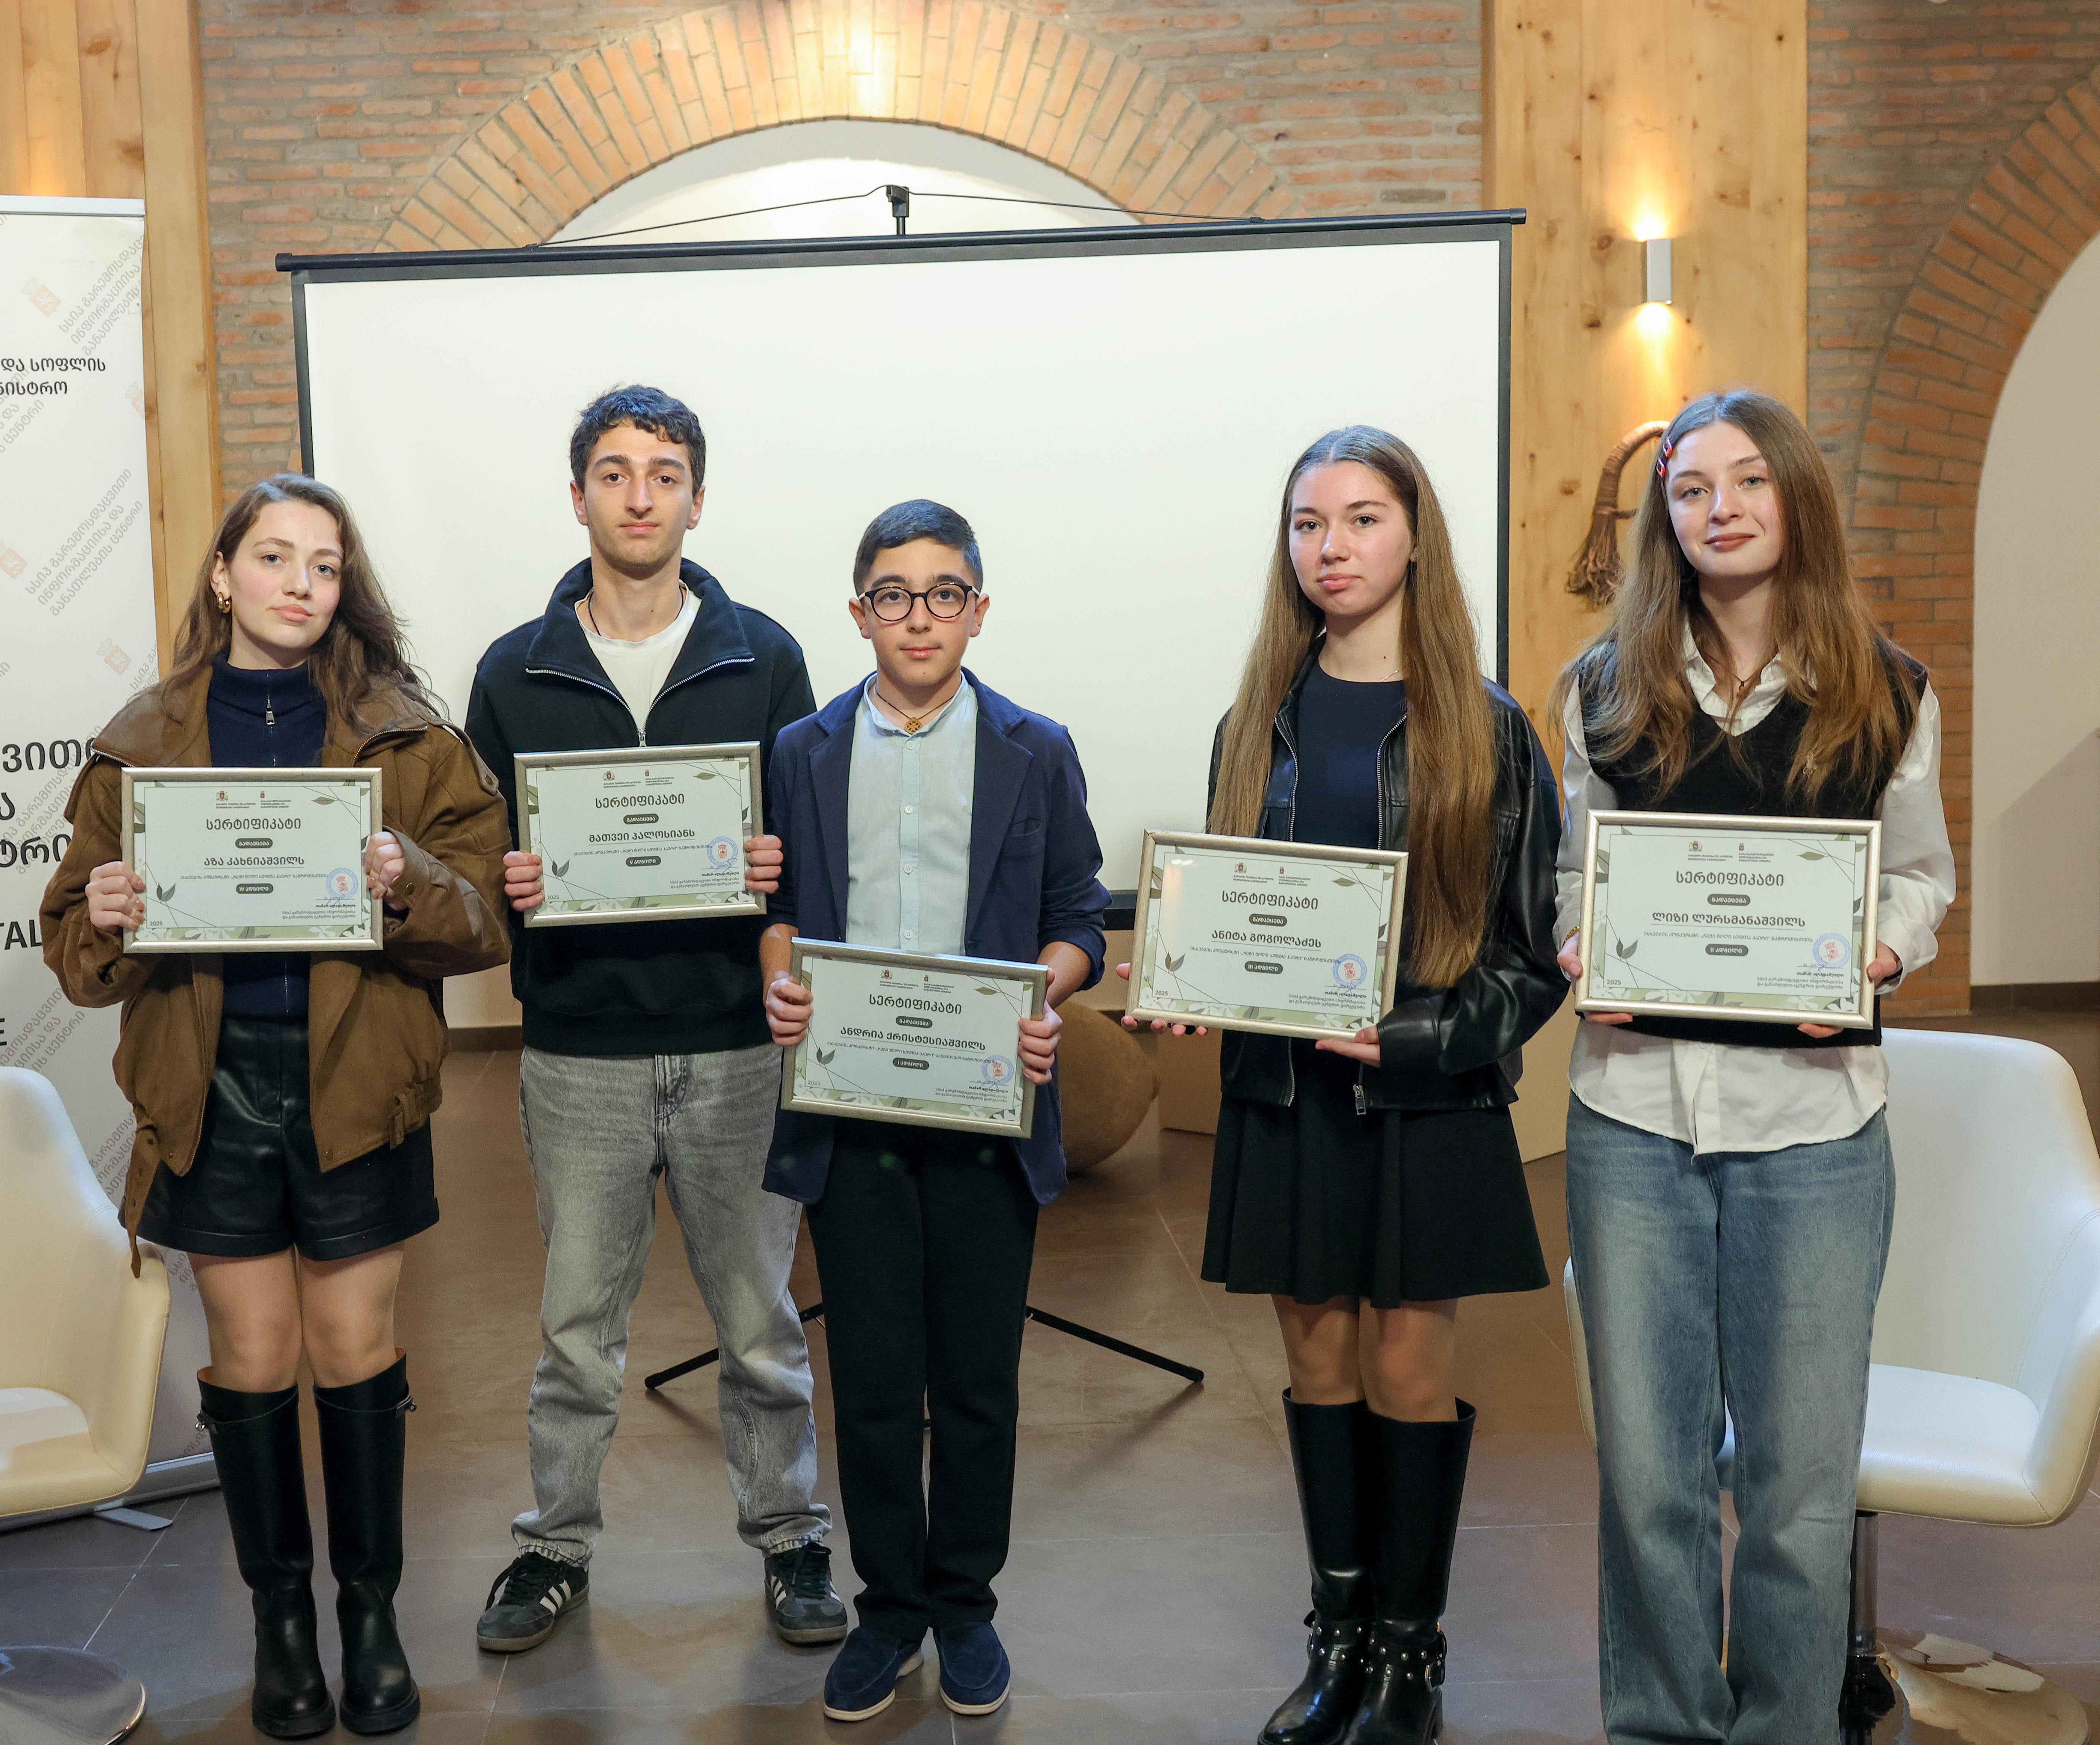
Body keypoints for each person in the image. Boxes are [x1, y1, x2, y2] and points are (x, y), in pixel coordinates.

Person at [41, 474, 513, 1740]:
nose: (299, 584)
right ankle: (282, 1624)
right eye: (273, 557)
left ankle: (372, 1615)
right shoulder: (139, 744)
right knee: (252, 1360)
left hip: (357, 1085)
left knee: (356, 1351)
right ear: (223, 575)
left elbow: (484, 920)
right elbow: (73, 946)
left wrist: (410, 878)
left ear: (343, 589)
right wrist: (106, 915)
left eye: (324, 565)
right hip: (211, 1092)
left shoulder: (409, 738)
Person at [1124, 426, 1564, 1745]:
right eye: (1309, 523)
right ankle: (1341, 1638)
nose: (1333, 547)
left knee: (1409, 1370)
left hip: (1424, 1097)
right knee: (1316, 1363)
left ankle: (1413, 1656)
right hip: (1286, 1098)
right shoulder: (1253, 721)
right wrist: (1191, 982)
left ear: (1415, 537)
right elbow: (1231, 913)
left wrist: (1423, 1039)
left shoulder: (1490, 727)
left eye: (1363, 519)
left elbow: (1532, 957)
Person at [1554, 388, 1951, 1743]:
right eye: (1689, 489)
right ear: (1663, 517)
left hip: (1818, 1128)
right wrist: (1580, 940)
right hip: (1632, 1117)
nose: (1718, 509)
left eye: (1747, 482)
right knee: (1649, 1480)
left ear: (1796, 498)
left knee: (1797, 1489)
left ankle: (1788, 1728)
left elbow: (1919, 879)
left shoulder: (1890, 691)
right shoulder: (1600, 686)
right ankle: (1662, 1727)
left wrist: (1877, 955)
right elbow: (1575, 876)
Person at [461, 385, 845, 1654]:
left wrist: (777, 863)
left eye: (665, 474)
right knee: (577, 1333)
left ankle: (792, 1537)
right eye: (616, 473)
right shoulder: (511, 669)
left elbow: (807, 846)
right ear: (578, 496)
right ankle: (553, 1546)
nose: (641, 496)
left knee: (760, 1324)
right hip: (581, 1051)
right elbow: (475, 860)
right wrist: (513, 882)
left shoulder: (766, 655)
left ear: (697, 498)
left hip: (738, 1043)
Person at [762, 499, 1109, 1724]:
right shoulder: (802, 751)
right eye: (895, 595)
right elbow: (781, 911)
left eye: (945, 593)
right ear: (860, 612)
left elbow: (1078, 916)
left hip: (985, 1118)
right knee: (868, 1376)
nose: (921, 617)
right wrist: (780, 980)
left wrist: (1045, 993)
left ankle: (964, 1605)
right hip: (851, 1117)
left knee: (975, 1380)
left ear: (979, 609)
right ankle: (888, 1608)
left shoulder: (1037, 748)